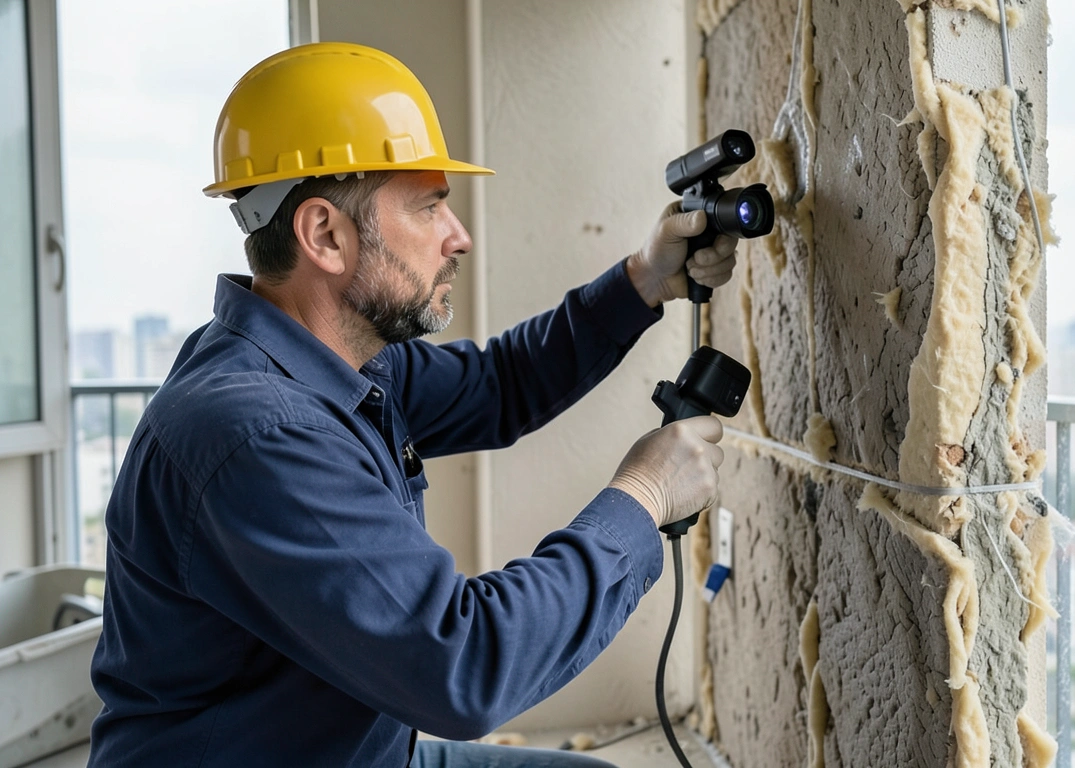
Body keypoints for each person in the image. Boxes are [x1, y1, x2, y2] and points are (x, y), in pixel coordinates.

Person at [88, 42, 737, 767]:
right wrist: (642, 497)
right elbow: (463, 666)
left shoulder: (335, 361)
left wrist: (645, 278)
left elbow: (500, 386)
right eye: (430, 206)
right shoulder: (256, 434)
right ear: (325, 235)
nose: (457, 237)